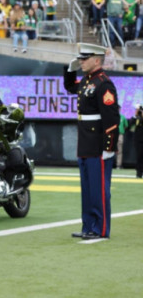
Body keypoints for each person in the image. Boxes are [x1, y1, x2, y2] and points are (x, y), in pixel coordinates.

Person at [64, 43, 120, 240]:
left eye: (85, 58)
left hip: (98, 145)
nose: (81, 61)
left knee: (99, 190)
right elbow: (70, 87)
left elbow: (112, 119)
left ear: (97, 60)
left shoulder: (104, 83)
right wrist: (70, 70)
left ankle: (101, 229)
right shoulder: (88, 81)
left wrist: (109, 147)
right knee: (87, 190)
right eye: (80, 58)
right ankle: (88, 225)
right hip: (85, 143)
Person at [132, 104, 143, 178]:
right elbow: (130, 125)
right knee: (139, 157)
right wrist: (135, 115)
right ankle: (139, 173)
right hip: (139, 140)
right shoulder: (136, 118)